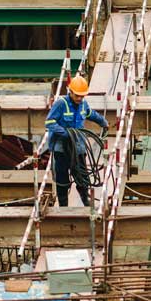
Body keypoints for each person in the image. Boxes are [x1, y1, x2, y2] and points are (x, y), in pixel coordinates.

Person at [44, 75, 108, 207]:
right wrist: (65, 133)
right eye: (77, 95)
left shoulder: (83, 104)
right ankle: (63, 207)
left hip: (78, 147)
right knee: (62, 180)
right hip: (61, 149)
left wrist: (103, 122)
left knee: (82, 177)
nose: (79, 98)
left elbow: (91, 114)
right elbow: (49, 122)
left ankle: (86, 202)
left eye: (82, 96)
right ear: (70, 91)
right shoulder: (61, 104)